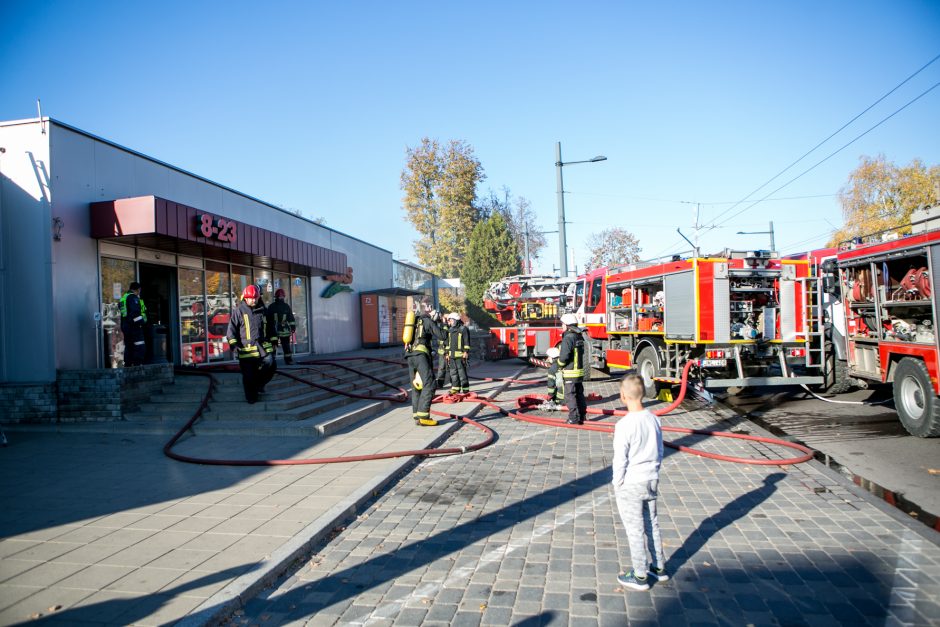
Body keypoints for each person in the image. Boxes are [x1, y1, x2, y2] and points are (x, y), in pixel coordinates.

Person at [613, 374, 667, 591]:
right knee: (651, 523)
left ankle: (640, 575)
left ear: (622, 396)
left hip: (631, 483)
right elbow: (660, 450)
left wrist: (617, 483)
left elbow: (620, 458)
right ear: (643, 394)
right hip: (651, 479)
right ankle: (659, 567)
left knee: (634, 529)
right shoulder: (654, 419)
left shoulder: (624, 425)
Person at [226, 285, 277, 404]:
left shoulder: (264, 310)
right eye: (251, 298)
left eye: (255, 297)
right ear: (245, 298)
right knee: (248, 376)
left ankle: (259, 385)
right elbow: (231, 331)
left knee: (271, 365)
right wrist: (234, 346)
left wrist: (274, 340)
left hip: (262, 348)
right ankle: (251, 397)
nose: (253, 300)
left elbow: (271, 327)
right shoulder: (239, 311)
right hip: (246, 352)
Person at [405, 303, 445, 426]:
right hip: (420, 355)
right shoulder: (427, 321)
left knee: (416, 386)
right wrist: (441, 324)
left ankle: (417, 415)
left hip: (410, 355)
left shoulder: (415, 322)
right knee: (429, 383)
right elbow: (442, 335)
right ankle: (424, 416)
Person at [556, 313, 587, 424]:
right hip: (579, 372)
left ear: (567, 325)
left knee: (570, 396)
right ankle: (582, 416)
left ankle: (573, 418)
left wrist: (558, 364)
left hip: (570, 372)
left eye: (562, 324)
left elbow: (564, 356)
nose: (562, 326)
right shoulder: (579, 336)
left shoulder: (568, 338)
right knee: (579, 395)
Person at [120, 281, 147, 366]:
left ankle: (128, 367)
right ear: (138, 289)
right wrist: (142, 323)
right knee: (140, 347)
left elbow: (125, 314)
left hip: (126, 327)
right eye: (140, 290)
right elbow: (135, 313)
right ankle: (137, 367)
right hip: (134, 328)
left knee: (129, 347)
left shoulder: (124, 298)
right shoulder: (133, 298)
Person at [268, 288, 297, 364]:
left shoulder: (274, 306)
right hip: (276, 329)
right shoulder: (273, 307)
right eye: (280, 297)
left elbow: (290, 318)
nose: (281, 298)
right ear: (277, 297)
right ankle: (273, 360)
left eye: (282, 297)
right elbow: (268, 319)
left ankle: (288, 360)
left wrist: (293, 327)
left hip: (279, 329)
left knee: (286, 346)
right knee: (274, 345)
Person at [445, 312, 471, 395]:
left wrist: (466, 352)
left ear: (456, 320)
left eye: (452, 320)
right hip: (452, 356)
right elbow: (447, 343)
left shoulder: (463, 329)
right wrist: (446, 354)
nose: (450, 322)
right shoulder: (450, 330)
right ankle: (455, 388)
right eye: (450, 321)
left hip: (460, 356)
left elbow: (467, 342)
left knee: (462, 373)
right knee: (453, 373)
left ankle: (465, 389)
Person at [542, 346, 563, 410]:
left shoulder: (552, 369)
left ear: (552, 357)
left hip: (560, 400)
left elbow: (551, 385)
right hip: (571, 397)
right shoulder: (563, 365)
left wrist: (550, 398)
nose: (548, 358)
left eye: (548, 356)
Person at [431, 310, 448, 388]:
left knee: (451, 369)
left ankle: (454, 384)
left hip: (448, 350)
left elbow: (445, 335)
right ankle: (440, 384)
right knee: (442, 368)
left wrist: (445, 323)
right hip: (442, 351)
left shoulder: (446, 324)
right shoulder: (437, 324)